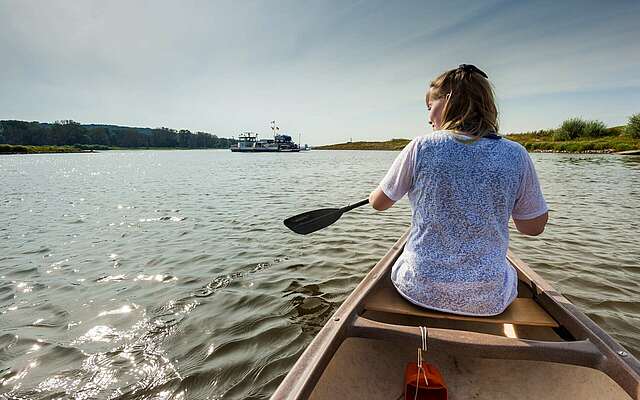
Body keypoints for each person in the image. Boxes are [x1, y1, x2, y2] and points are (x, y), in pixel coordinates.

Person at [368, 64, 548, 316]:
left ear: (450, 100)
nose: (428, 117)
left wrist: (374, 194)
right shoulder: (516, 154)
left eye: (430, 107)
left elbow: (378, 203)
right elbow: (533, 228)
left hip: (419, 288)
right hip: (488, 298)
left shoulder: (421, 146)